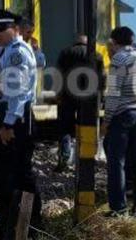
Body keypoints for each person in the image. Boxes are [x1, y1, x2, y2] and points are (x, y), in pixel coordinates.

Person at [0, 9, 42, 239]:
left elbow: (18, 92)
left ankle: (26, 226)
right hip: (11, 116)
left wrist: (8, 124)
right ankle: (15, 224)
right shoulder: (6, 51)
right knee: (9, 172)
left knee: (16, 173)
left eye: (2, 28)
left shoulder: (17, 52)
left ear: (15, 29)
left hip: (16, 119)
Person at [101, 26, 136, 217]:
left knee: (116, 161)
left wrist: (107, 120)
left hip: (122, 115)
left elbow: (114, 94)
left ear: (114, 42)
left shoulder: (118, 59)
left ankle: (118, 208)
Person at [55, 34, 105, 172]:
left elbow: (58, 74)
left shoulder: (65, 52)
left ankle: (64, 158)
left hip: (67, 96)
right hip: (89, 98)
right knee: (88, 127)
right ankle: (88, 159)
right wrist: (101, 97)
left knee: (65, 128)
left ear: (76, 42)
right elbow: (101, 78)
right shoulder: (96, 55)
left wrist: (58, 93)